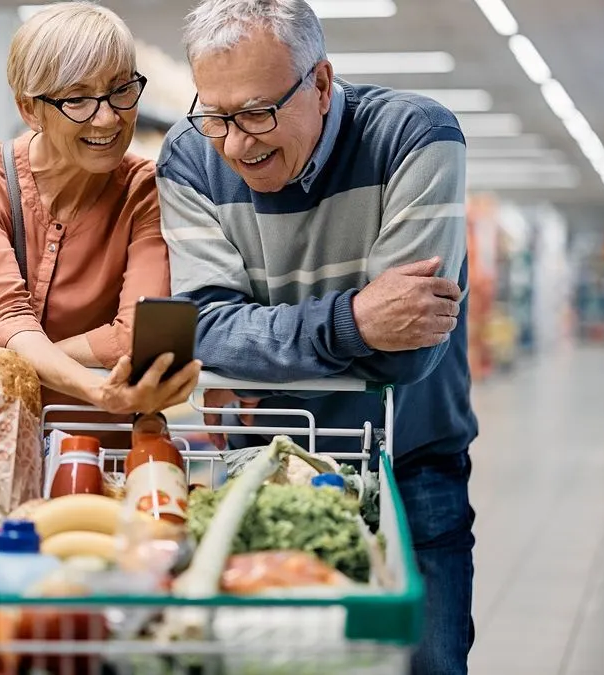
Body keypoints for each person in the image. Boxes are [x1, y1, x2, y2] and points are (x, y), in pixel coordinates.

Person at [157, 0, 477, 671]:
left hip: (405, 471)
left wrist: (261, 348)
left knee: (423, 662)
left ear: (322, 83)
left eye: (257, 112)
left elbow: (411, 352)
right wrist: (356, 321)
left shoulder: (416, 138)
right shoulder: (189, 156)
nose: (237, 143)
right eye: (216, 115)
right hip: (256, 474)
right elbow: (205, 330)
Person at [0, 2, 201, 549]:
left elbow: (132, 334)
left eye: (121, 89)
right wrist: (95, 386)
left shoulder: (148, 191)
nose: (109, 117)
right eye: (77, 100)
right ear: (30, 109)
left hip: (95, 472)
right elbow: (6, 320)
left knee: (81, 628)